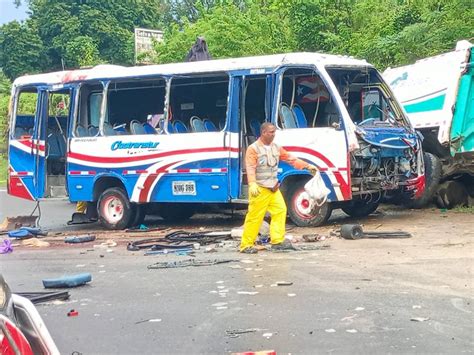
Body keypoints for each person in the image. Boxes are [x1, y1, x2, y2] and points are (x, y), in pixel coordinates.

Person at [240, 122, 318, 254]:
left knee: (280, 211)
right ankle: (246, 245)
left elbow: (290, 158)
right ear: (263, 132)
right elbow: (250, 167)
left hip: (273, 188)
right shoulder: (253, 149)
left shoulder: (276, 147)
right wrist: (252, 183)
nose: (274, 134)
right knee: (255, 217)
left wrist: (306, 166)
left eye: (274, 132)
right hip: (260, 189)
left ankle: (277, 241)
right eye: (271, 132)